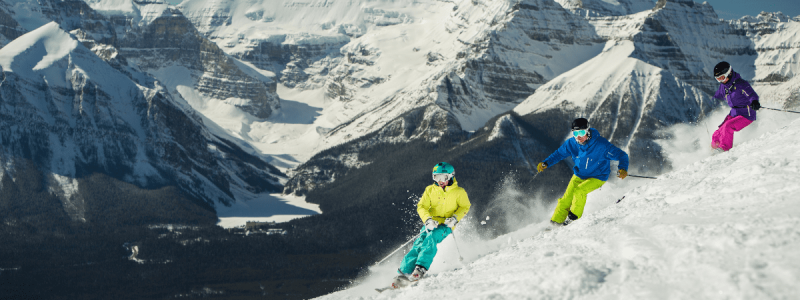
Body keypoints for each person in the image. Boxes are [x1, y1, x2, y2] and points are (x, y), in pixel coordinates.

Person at [536, 118, 629, 227]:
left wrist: (623, 168)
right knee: (565, 200)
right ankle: (554, 224)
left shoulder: (601, 145)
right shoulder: (571, 143)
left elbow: (622, 155)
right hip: (579, 175)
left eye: (581, 132)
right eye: (575, 133)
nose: (578, 136)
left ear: (588, 131)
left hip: (597, 176)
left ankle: (573, 220)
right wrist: (546, 163)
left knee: (579, 191)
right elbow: (559, 154)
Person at [393, 162, 471, 288]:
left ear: (451, 176)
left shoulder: (459, 192)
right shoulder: (430, 190)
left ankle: (420, 269)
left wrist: (455, 219)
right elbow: (421, 206)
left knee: (431, 238)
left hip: (446, 225)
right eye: (436, 177)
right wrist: (427, 220)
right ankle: (403, 273)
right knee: (418, 244)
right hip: (431, 223)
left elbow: (465, 206)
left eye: (443, 178)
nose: (440, 181)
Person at [711, 61, 760, 152]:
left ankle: (724, 150)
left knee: (727, 127)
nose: (721, 81)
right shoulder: (724, 86)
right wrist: (713, 101)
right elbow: (718, 95)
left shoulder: (741, 83)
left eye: (722, 77)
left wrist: (754, 102)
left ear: (728, 73)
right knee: (716, 134)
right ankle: (714, 151)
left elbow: (752, 94)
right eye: (718, 79)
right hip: (734, 113)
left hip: (746, 114)